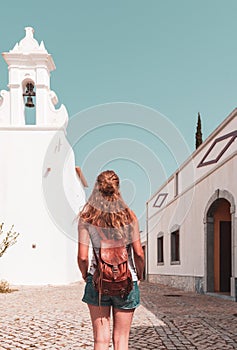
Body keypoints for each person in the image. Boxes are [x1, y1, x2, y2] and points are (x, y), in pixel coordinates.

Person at [78, 170, 144, 350]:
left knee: (100, 339)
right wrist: (139, 274)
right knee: (121, 340)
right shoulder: (129, 216)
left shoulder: (87, 218)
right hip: (126, 281)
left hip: (97, 281)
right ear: (117, 189)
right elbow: (138, 253)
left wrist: (86, 276)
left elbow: (83, 257)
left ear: (96, 189)